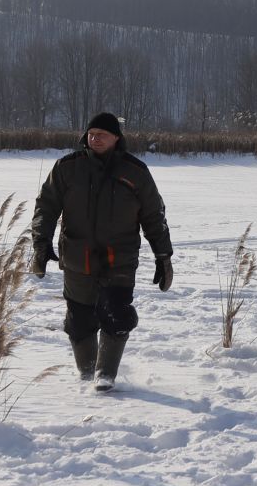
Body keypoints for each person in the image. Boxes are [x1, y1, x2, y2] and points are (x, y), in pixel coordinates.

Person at [31, 112, 173, 391]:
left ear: (116, 138)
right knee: (79, 320)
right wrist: (41, 244)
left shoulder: (135, 172)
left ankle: (105, 375)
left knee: (116, 313)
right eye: (91, 133)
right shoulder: (67, 168)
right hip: (76, 256)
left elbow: (154, 216)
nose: (95, 139)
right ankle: (86, 373)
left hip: (119, 258)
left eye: (102, 135)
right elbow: (45, 208)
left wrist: (163, 256)